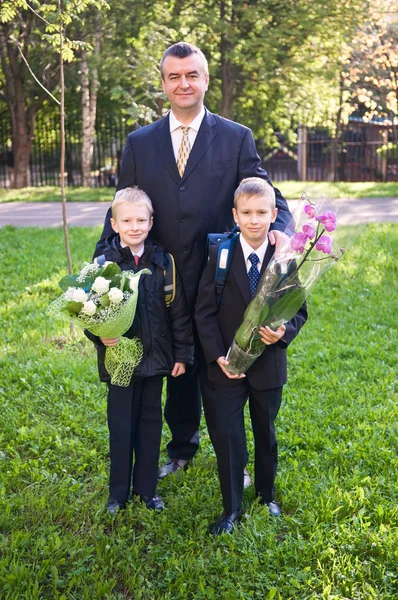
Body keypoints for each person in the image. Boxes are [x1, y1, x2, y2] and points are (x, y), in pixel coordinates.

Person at [94, 42, 292, 480]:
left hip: (218, 283)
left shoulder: (236, 137)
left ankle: (233, 460)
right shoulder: (139, 143)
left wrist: (285, 232)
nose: (183, 83)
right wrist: (101, 265)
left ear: (205, 80)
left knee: (220, 374)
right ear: (164, 83)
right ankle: (181, 448)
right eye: (174, 76)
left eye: (192, 75)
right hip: (160, 283)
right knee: (179, 371)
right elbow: (123, 207)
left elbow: (268, 196)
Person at [195, 178, 307, 534]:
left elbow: (300, 310)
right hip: (227, 366)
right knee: (228, 435)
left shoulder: (285, 258)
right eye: (246, 213)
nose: (254, 220)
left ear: (275, 214)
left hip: (268, 366)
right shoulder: (221, 254)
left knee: (265, 432)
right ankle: (231, 509)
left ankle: (266, 494)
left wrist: (283, 333)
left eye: (262, 212)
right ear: (235, 215)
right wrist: (217, 357)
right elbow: (203, 312)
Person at [86, 187, 194, 515]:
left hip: (155, 359)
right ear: (114, 224)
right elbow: (88, 311)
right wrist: (98, 336)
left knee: (150, 426)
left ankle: (147, 490)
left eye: (141, 220)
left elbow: (178, 312)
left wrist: (182, 355)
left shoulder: (164, 262)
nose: (135, 226)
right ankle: (117, 494)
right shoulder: (103, 264)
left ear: (151, 222)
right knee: (121, 427)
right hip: (120, 362)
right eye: (127, 220)